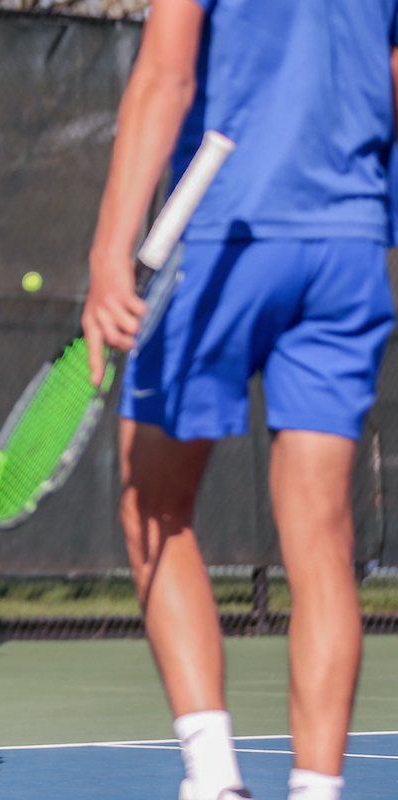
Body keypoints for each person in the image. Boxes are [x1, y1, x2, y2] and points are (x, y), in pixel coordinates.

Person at [81, 2, 398, 800]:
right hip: (350, 247)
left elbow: (167, 72)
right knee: (322, 543)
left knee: (151, 500)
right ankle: (317, 790)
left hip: (224, 237)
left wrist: (110, 250)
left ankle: (215, 779)